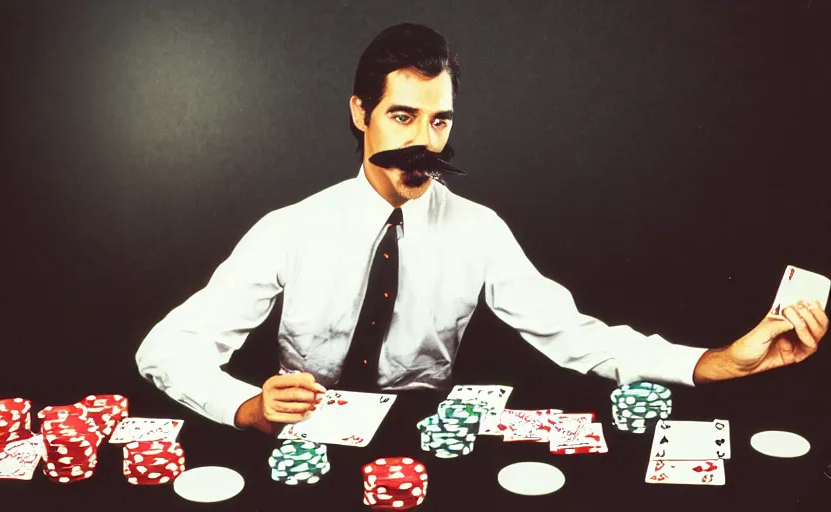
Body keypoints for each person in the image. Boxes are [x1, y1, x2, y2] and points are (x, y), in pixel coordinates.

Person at [136, 22, 828, 435]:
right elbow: (165, 349)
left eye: (440, 121)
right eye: (403, 117)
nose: (425, 144)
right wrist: (248, 408)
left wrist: (716, 361)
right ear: (360, 113)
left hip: (424, 439)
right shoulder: (288, 230)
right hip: (302, 441)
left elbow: (577, 338)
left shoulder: (481, 231)